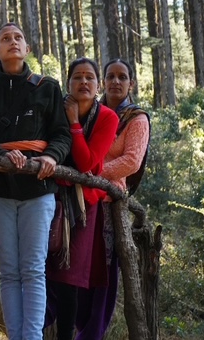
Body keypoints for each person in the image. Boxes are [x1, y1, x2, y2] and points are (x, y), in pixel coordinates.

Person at [0, 22, 71, 340]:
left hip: (38, 188)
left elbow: (62, 133)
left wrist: (52, 156)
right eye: (5, 38)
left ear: (27, 49)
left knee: (34, 269)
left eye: (18, 38)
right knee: (10, 271)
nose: (12, 42)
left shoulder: (48, 87)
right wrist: (1, 154)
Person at [74, 58, 150, 340]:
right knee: (75, 268)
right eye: (110, 76)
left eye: (122, 77)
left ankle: (91, 334)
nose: (116, 82)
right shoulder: (91, 112)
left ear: (131, 83)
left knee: (102, 274)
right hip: (79, 199)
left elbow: (131, 161)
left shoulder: (136, 118)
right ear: (103, 82)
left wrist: (90, 171)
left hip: (109, 203)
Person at [44, 58, 118, 340]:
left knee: (69, 280)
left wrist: (74, 122)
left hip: (83, 206)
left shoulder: (107, 117)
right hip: (49, 198)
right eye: (77, 77)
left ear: (98, 85)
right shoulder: (55, 109)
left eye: (90, 77)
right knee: (41, 272)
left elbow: (87, 164)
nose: (84, 82)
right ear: (68, 83)